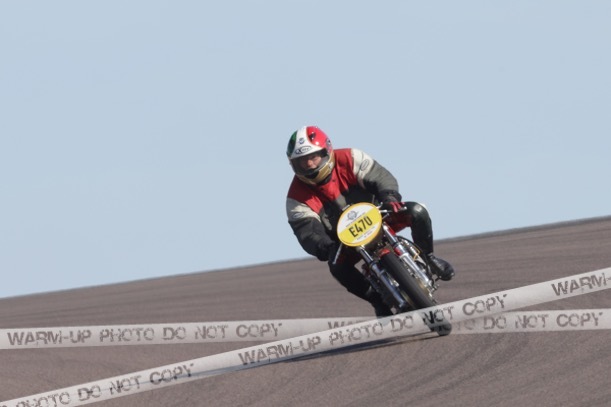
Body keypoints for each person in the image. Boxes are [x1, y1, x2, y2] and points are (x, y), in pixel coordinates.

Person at [285, 125, 455, 317]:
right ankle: (378, 301)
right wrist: (325, 247)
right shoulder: (295, 199)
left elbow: (380, 177)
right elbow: (307, 233)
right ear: (293, 164)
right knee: (337, 267)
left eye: (313, 157)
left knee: (417, 211)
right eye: (302, 161)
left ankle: (429, 258)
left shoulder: (351, 157)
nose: (309, 165)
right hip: (345, 241)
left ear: (327, 151)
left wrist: (389, 197)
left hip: (379, 215)